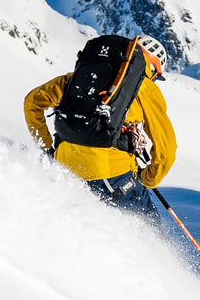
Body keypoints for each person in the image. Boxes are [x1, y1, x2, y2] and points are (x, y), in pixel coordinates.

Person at [23, 34, 176, 216]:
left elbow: (31, 103)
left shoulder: (78, 78)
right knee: (149, 223)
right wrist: (148, 180)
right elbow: (166, 149)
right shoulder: (146, 88)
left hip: (64, 167)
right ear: (152, 68)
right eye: (156, 75)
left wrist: (47, 147)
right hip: (111, 173)